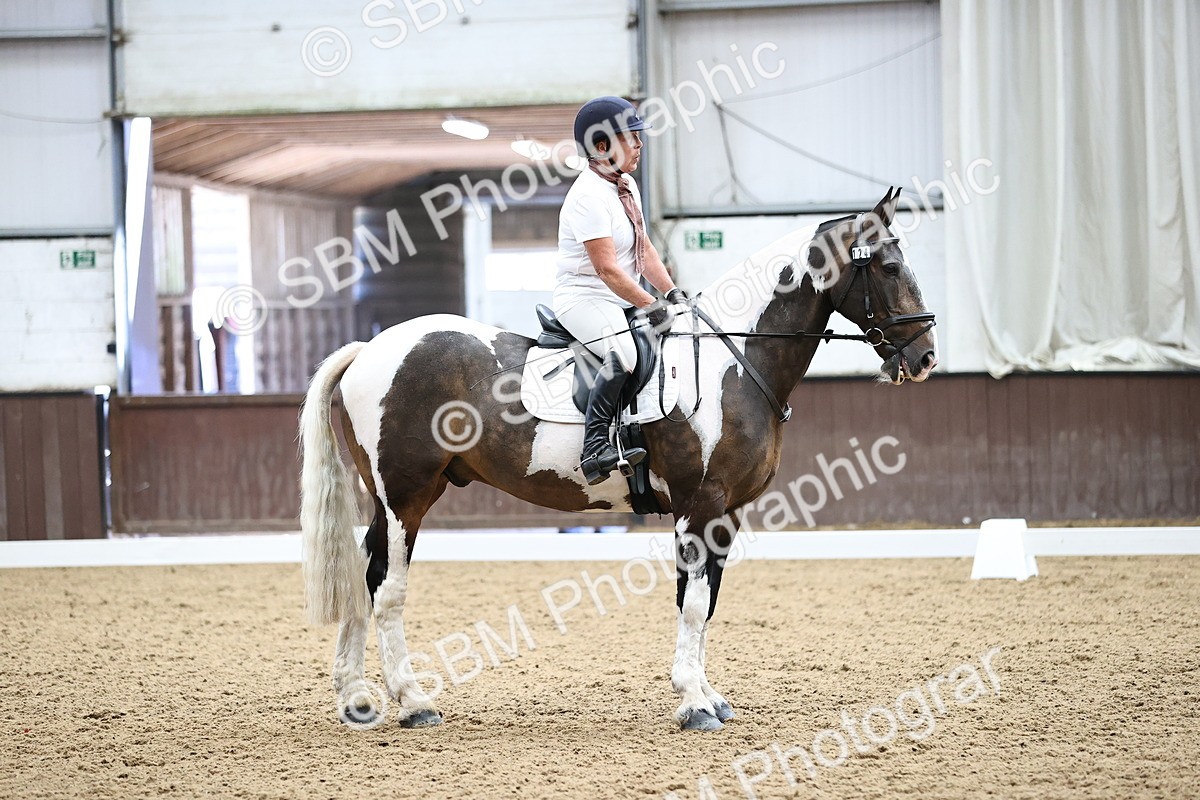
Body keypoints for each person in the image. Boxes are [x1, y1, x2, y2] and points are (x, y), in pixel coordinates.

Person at [553, 96, 687, 485]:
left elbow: (643, 248)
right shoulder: (588, 198)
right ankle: (594, 449)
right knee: (624, 354)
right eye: (632, 137)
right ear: (601, 147)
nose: (640, 145)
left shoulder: (624, 185)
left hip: (616, 297)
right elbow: (607, 269)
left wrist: (673, 293)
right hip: (584, 297)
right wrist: (651, 303)